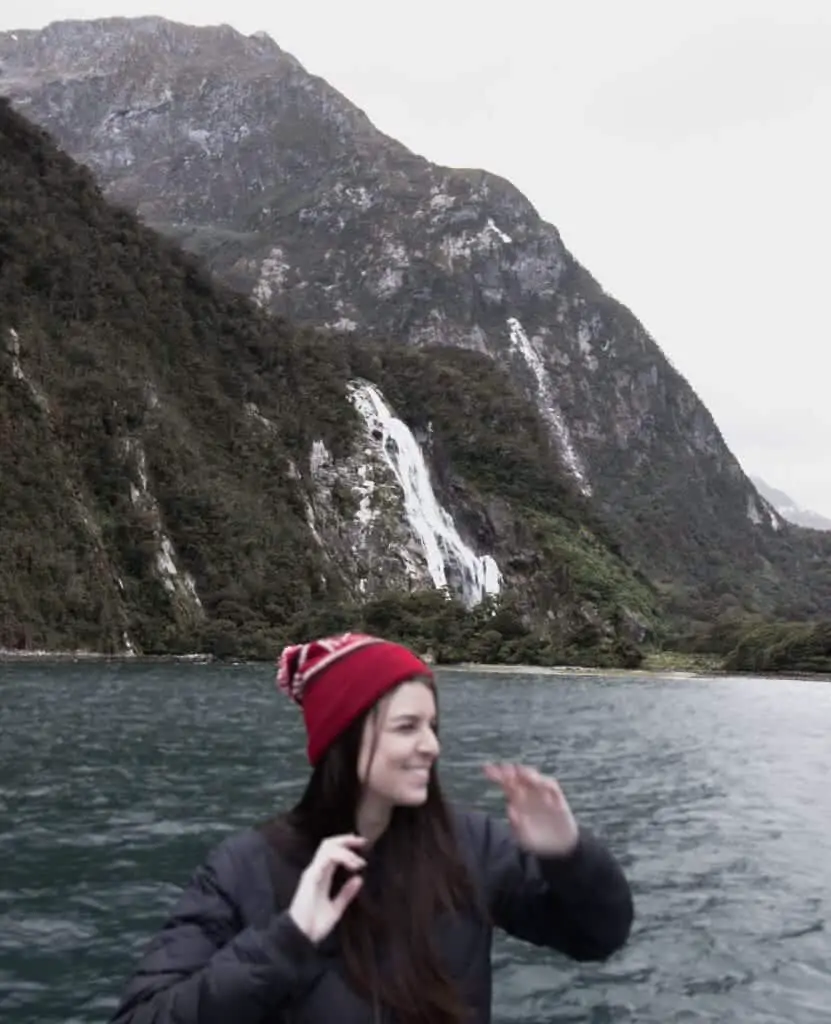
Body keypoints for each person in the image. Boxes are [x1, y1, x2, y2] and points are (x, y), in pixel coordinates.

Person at [108, 632, 634, 1024]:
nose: (432, 745)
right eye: (407, 727)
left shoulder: (471, 847)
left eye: (432, 726)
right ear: (344, 738)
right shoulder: (244, 869)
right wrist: (287, 940)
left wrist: (568, 854)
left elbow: (597, 936)